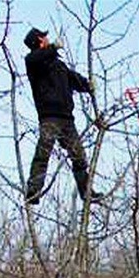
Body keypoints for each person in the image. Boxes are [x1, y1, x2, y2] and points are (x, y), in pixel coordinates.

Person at [23, 27, 103, 205]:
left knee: (79, 156)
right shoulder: (34, 62)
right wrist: (53, 48)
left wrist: (87, 85)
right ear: (39, 40)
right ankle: (33, 191)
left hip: (67, 119)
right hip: (49, 117)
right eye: (44, 36)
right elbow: (35, 57)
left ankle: (87, 192)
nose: (48, 38)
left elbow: (72, 79)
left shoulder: (58, 64)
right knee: (43, 153)